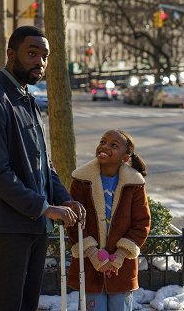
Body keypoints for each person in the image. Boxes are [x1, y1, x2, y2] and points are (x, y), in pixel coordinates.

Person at [0, 26, 86, 311]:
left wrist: (62, 198)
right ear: (10, 54)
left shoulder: (27, 99)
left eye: (44, 56)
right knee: (7, 305)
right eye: (32, 53)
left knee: (27, 304)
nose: (40, 62)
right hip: (5, 226)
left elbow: (44, 164)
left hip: (33, 223)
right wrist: (44, 207)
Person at [67, 129, 151, 311]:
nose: (104, 146)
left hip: (121, 268)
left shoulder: (134, 184)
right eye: (103, 141)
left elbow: (142, 223)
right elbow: (74, 221)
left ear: (125, 157)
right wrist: (92, 253)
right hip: (91, 267)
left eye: (113, 145)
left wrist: (120, 255)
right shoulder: (81, 180)